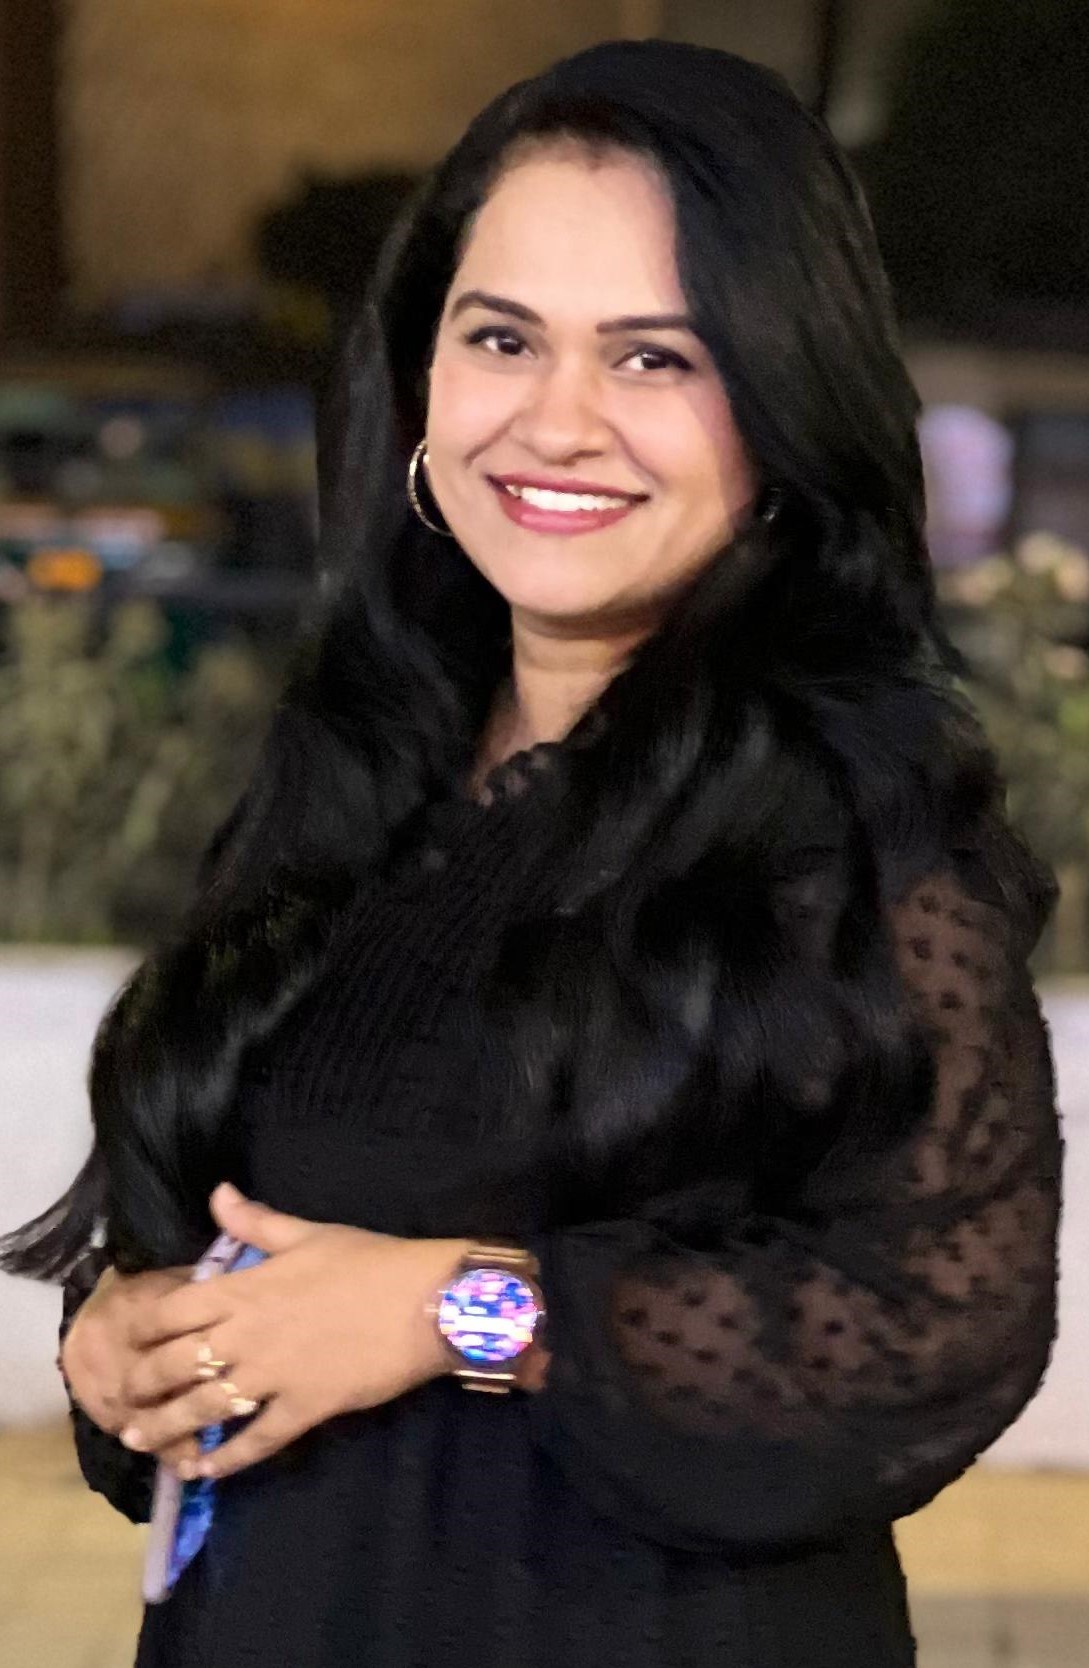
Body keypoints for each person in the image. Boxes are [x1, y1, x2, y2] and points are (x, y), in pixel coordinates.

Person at [1, 37, 1063, 1668]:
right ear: (419, 371)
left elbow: (929, 1332)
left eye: (654, 358)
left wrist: (458, 1310)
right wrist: (131, 1340)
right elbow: (240, 1210)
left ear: (780, 403)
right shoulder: (355, 779)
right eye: (501, 338)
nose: (557, 422)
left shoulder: (858, 830)